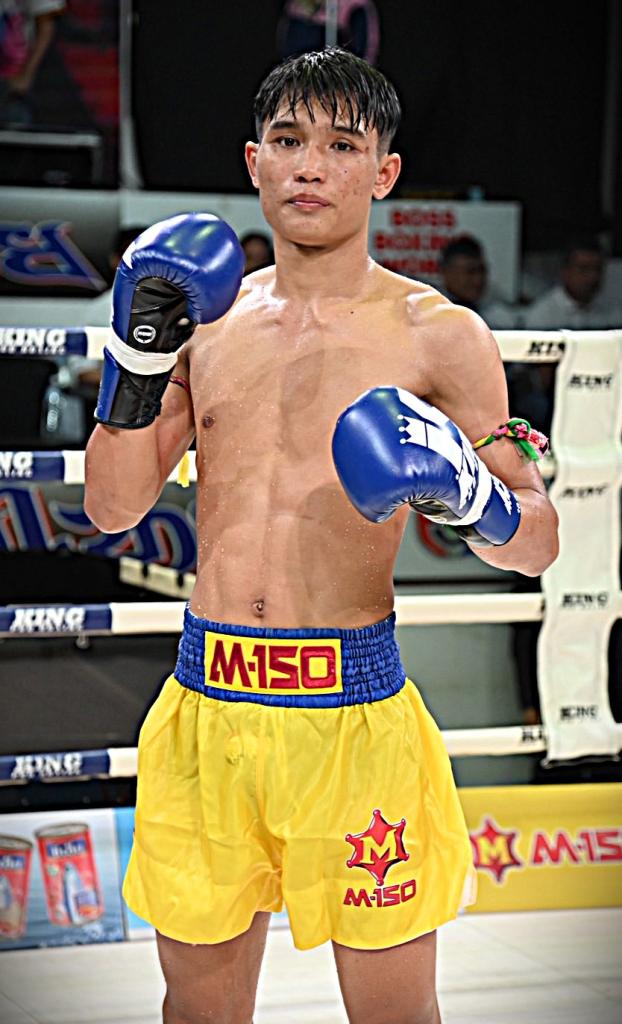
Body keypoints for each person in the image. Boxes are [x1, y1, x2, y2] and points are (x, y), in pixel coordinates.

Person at [84, 47, 559, 1024]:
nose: (311, 166)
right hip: (208, 708)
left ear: (384, 172)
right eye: (289, 140)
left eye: (342, 145)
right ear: (253, 161)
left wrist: (470, 491)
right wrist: (137, 356)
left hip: (355, 718)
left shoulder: (441, 334)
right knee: (198, 1010)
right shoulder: (204, 325)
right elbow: (112, 506)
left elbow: (536, 543)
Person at [523, 236, 622, 329]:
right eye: (584, 269)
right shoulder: (542, 315)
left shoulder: (614, 311)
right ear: (565, 271)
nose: (592, 277)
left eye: (597, 269)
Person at [438, 234, 519, 328]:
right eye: (470, 272)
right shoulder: (431, 313)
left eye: (482, 271)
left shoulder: (498, 316)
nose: (478, 280)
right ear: (446, 272)